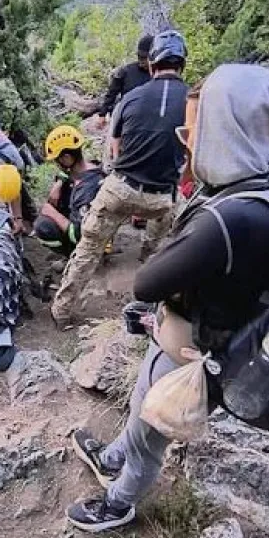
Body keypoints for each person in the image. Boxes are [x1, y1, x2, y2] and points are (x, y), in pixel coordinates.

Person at [65, 63, 269, 532]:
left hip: (195, 352)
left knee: (154, 430)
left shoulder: (229, 217)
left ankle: (119, 502)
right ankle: (113, 455)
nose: (186, 140)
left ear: (226, 132)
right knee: (141, 407)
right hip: (217, 334)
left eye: (193, 129)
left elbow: (146, 282)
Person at [51, 30, 189, 326]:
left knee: (87, 247)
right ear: (182, 65)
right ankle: (147, 261)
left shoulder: (132, 98)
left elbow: (114, 150)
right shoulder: (194, 102)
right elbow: (193, 157)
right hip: (161, 197)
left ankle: (61, 312)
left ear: (151, 65)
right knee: (165, 231)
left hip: (120, 189)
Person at [34, 125, 105, 257]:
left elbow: (79, 234)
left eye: (58, 160)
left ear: (66, 158)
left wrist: (52, 213)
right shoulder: (90, 167)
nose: (57, 164)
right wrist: (59, 183)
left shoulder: (87, 190)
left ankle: (74, 255)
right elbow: (65, 174)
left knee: (42, 226)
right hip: (90, 224)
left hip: (90, 239)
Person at [95, 34, 154, 130]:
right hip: (127, 121)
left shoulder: (158, 75)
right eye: (139, 57)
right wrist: (102, 114)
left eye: (144, 58)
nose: (141, 61)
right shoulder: (126, 71)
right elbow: (111, 93)